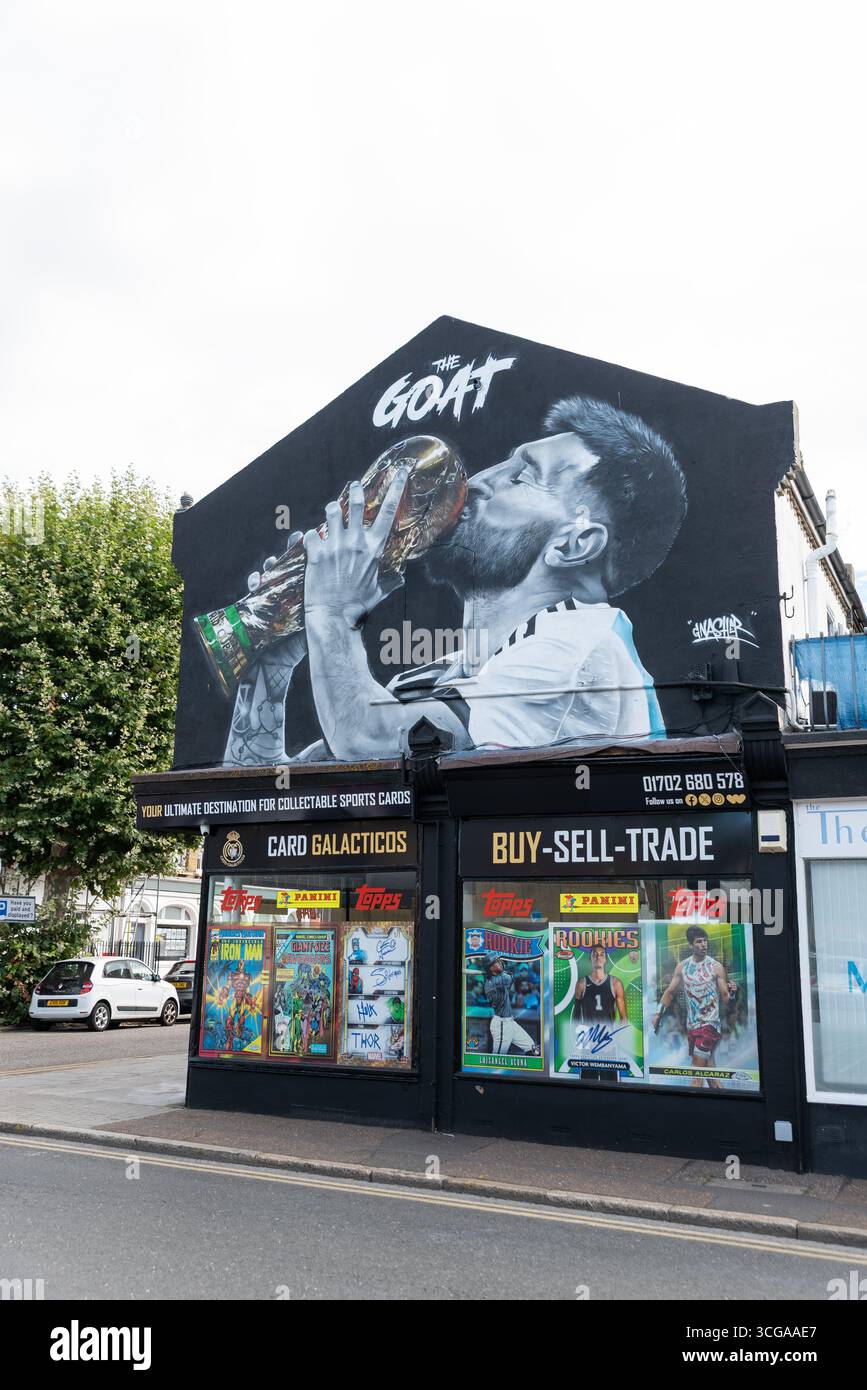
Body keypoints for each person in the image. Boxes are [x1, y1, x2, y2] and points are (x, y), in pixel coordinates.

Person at [222, 396, 688, 765]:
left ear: (574, 544)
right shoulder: (451, 672)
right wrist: (272, 665)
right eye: (506, 462)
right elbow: (261, 799)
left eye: (522, 477)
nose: (481, 479)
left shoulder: (582, 655)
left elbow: (368, 740)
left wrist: (332, 614)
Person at [651, 927, 737, 1088]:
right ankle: (725, 1105)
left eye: (705, 941)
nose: (704, 945)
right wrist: (658, 1013)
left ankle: (687, 1110)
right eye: (699, 941)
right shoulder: (683, 967)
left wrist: (732, 993)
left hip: (709, 1026)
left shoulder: (715, 967)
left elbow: (725, 997)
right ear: (691, 945)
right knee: (710, 1074)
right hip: (693, 1027)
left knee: (696, 1075)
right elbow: (669, 992)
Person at [483, 953, 540, 1057]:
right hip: (501, 1024)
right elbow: (508, 978)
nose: (500, 963)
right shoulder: (490, 984)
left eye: (499, 960)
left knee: (533, 1049)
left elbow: (509, 978)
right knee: (497, 1060)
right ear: (491, 967)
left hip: (510, 1022)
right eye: (496, 962)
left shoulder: (498, 978)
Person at [573, 944, 628, 1022]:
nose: (598, 957)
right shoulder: (581, 984)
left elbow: (624, 1018)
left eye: (602, 954)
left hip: (609, 1033)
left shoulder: (616, 983)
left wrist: (618, 1034)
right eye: (595, 954)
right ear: (590, 958)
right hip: (590, 1033)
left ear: (605, 959)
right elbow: (576, 1017)